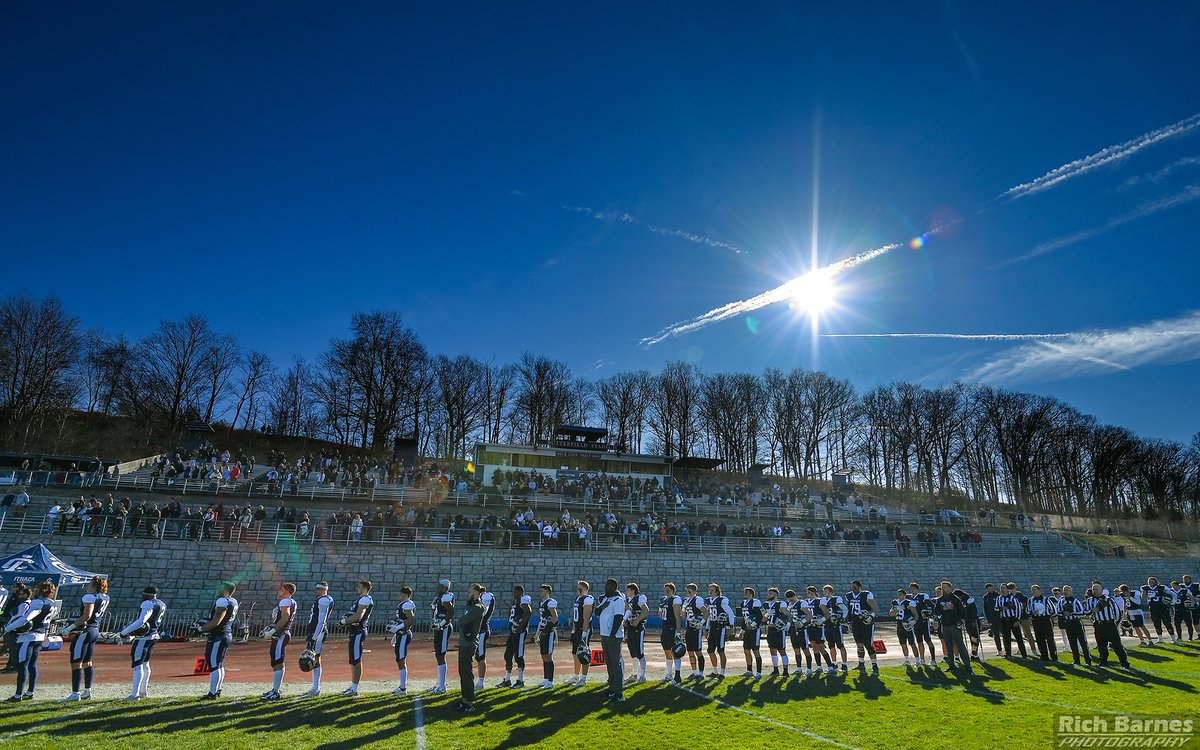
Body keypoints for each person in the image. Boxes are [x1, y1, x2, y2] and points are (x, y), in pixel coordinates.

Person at [3, 579, 60, 701]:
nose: (34, 591)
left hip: (29, 636)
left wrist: (8, 628)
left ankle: (18, 695)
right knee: (32, 665)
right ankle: (30, 692)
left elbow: (26, 619)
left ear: (40, 590)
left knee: (22, 665)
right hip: (40, 636)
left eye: (36, 589)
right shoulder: (53, 604)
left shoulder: (38, 602)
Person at [61, 575, 110, 702]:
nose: (87, 585)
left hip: (85, 631)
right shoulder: (105, 597)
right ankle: (87, 691)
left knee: (76, 662)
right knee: (87, 662)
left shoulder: (90, 597)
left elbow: (87, 615)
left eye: (90, 583)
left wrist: (69, 628)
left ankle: (75, 693)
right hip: (94, 630)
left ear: (94, 585)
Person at [117, 585, 167, 700]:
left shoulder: (148, 603)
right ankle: (143, 691)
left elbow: (141, 621)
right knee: (145, 663)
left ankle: (135, 694)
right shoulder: (161, 603)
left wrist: (124, 632)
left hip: (144, 637)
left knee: (138, 664)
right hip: (154, 635)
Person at [197, 581, 239, 699]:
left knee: (214, 664)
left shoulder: (222, 601)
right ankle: (217, 690)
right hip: (226, 634)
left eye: (221, 587)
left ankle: (212, 693)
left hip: (219, 635)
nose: (218, 589)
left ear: (225, 590)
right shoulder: (233, 601)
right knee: (219, 664)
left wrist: (200, 629)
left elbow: (216, 621)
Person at [260, 582, 297, 700]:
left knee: (276, 661)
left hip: (281, 634)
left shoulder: (285, 601)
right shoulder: (291, 601)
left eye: (281, 589)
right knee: (279, 661)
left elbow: (285, 617)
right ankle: (276, 688)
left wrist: (272, 631)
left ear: (287, 591)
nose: (279, 591)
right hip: (283, 633)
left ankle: (275, 691)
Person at [338, 580, 374, 697]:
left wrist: (344, 621)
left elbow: (358, 616)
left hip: (358, 631)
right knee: (353, 660)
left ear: (364, 588)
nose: (357, 588)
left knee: (356, 660)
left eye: (359, 586)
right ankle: (353, 686)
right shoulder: (361, 599)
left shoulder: (365, 599)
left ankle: (354, 689)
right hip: (354, 632)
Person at [1087, 582, 1132, 670]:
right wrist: (1092, 611)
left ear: (1101, 590)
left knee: (1117, 645)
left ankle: (1125, 663)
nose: (1095, 591)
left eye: (1096, 589)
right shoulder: (1089, 600)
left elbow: (1117, 612)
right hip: (1098, 625)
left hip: (1109, 624)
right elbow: (1086, 612)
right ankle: (1103, 662)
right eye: (1093, 589)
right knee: (1101, 645)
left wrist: (1115, 623)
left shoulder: (1109, 599)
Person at [456, 584, 486, 712]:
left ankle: (469, 702)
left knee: (467, 673)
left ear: (476, 592)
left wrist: (462, 620)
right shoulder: (472, 606)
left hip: (469, 644)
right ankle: (464, 699)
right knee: (462, 672)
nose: (468, 594)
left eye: (470, 592)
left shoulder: (478, 607)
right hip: (464, 643)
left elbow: (461, 621)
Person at [596, 578, 626, 704]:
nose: (605, 588)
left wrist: (612, 635)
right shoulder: (606, 599)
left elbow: (619, 618)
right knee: (609, 663)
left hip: (614, 636)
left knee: (615, 664)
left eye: (608, 586)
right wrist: (602, 606)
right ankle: (612, 688)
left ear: (613, 587)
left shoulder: (618, 600)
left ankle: (618, 693)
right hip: (604, 635)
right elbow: (596, 612)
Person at [934, 581, 972, 674]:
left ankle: (968, 667)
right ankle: (951, 666)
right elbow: (936, 612)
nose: (943, 589)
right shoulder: (939, 600)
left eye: (945, 587)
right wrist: (944, 608)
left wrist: (959, 622)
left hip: (954, 625)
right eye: (942, 587)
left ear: (950, 588)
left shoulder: (955, 599)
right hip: (944, 625)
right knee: (948, 646)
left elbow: (963, 613)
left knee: (960, 646)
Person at [499, 585, 533, 688]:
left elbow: (528, 613)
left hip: (520, 632)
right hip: (512, 632)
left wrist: (520, 627)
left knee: (519, 656)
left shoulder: (523, 600)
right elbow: (511, 615)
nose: (514, 594)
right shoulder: (515, 602)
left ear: (521, 592)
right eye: (514, 592)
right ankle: (507, 679)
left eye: (516, 592)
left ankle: (520, 680)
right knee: (507, 655)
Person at [305, 581, 334, 696]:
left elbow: (321, 620)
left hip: (318, 633)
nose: (315, 591)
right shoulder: (321, 600)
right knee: (314, 657)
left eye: (318, 589)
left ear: (324, 589)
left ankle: (316, 688)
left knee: (315, 658)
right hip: (315, 632)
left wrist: (314, 636)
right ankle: (315, 687)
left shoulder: (324, 600)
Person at [387, 585, 417, 695]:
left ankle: (403, 688)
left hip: (404, 634)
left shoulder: (407, 604)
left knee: (401, 659)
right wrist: (396, 631)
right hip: (401, 634)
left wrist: (398, 628)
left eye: (401, 594)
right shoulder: (403, 604)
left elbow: (410, 620)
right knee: (399, 659)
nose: (400, 595)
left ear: (406, 595)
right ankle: (402, 686)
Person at [566, 580, 595, 687]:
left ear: (584, 589)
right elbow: (576, 617)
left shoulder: (588, 599)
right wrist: (573, 631)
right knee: (575, 653)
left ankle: (583, 679)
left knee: (584, 653)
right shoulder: (578, 599)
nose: (577, 589)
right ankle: (576, 676)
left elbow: (586, 618)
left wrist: (584, 634)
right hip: (577, 629)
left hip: (584, 629)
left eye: (579, 588)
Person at [845, 580, 878, 672]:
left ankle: (874, 665)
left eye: (854, 586)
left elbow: (874, 608)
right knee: (859, 644)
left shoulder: (866, 594)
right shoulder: (849, 595)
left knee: (868, 644)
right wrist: (849, 621)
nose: (853, 588)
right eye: (852, 586)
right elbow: (849, 609)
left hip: (866, 623)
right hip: (855, 623)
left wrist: (871, 616)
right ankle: (861, 664)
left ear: (859, 586)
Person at [430, 578, 456, 694]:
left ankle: (442, 685)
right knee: (438, 654)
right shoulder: (438, 597)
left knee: (441, 654)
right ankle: (439, 683)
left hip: (444, 627)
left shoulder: (446, 596)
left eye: (439, 586)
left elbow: (450, 612)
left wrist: (441, 623)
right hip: (438, 627)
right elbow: (434, 610)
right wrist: (434, 621)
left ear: (445, 587)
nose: (437, 588)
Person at [705, 583, 736, 677]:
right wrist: (707, 628)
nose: (710, 592)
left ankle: (722, 673)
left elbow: (730, 613)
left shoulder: (721, 600)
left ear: (717, 591)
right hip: (712, 628)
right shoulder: (709, 601)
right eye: (709, 590)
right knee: (710, 650)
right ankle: (715, 671)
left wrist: (731, 626)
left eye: (712, 590)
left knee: (721, 651)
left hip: (720, 628)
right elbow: (709, 616)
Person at [1058, 584, 1093, 666]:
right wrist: (1063, 613)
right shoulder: (1061, 601)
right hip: (1068, 623)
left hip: (1076, 623)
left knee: (1083, 642)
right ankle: (1076, 660)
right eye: (1064, 590)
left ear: (1071, 592)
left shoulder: (1076, 601)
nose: (1065, 592)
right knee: (1072, 642)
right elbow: (1058, 612)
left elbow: (1082, 613)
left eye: (1067, 590)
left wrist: (1071, 613)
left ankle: (1088, 661)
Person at [623, 582, 649, 684]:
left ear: (633, 590)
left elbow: (645, 611)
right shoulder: (629, 600)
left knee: (639, 652)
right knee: (633, 652)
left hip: (638, 628)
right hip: (631, 628)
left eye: (628, 590)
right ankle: (634, 674)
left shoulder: (639, 599)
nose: (626, 592)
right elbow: (629, 612)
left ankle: (643, 675)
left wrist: (637, 620)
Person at [658, 582, 684, 683]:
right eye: (665, 589)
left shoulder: (675, 599)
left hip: (672, 628)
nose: (666, 591)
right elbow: (660, 615)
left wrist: (678, 632)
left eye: (668, 589)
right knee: (667, 651)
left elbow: (677, 617)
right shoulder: (663, 600)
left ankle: (677, 676)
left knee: (675, 652)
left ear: (672, 590)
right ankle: (669, 674)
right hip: (665, 628)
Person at [681, 583, 708, 680]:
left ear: (694, 591)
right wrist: (683, 608)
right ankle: (694, 672)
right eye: (687, 590)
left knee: (698, 651)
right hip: (689, 627)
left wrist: (701, 623)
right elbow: (683, 616)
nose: (687, 592)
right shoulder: (686, 601)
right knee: (690, 651)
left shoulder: (697, 600)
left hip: (696, 629)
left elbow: (706, 612)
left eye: (689, 590)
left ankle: (701, 673)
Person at [472, 584, 496, 693]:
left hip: (482, 630)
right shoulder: (480, 599)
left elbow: (483, 612)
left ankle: (481, 682)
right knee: (478, 656)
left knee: (481, 656)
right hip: (478, 630)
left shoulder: (486, 596)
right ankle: (479, 681)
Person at [1026, 584, 1059, 661]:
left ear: (1039, 590)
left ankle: (1054, 656)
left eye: (1034, 590)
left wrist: (1046, 614)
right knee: (1039, 639)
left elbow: (1054, 611)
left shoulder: (1046, 599)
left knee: (1050, 639)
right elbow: (1027, 610)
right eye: (1032, 590)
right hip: (1036, 620)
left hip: (1045, 620)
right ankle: (1044, 656)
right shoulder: (1030, 600)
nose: (1033, 591)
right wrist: (1032, 612)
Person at [534, 584, 559, 689]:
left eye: (542, 591)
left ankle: (550, 681)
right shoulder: (541, 603)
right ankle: (545, 679)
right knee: (543, 655)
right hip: (543, 630)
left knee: (548, 656)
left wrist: (546, 630)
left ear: (547, 592)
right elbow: (542, 619)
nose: (541, 592)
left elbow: (555, 618)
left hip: (549, 632)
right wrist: (538, 633)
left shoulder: (550, 602)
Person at [908, 582, 938, 664]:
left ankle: (933, 659)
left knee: (928, 639)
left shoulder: (923, 596)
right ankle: (922, 659)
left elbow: (930, 605)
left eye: (913, 588)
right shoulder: (909, 597)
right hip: (915, 622)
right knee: (919, 641)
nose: (912, 590)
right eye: (911, 589)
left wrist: (930, 613)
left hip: (923, 621)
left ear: (917, 589)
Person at [0, 583, 28, 673]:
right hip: (9, 619)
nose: (13, 588)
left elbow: (17, 613)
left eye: (15, 587)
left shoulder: (21, 600)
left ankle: (14, 666)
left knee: (12, 645)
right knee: (9, 643)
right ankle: (10, 664)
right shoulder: (14, 596)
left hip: (12, 622)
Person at [821, 584, 849, 672]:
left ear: (831, 592)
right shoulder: (823, 600)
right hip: (827, 625)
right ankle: (834, 663)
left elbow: (845, 609)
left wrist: (842, 618)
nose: (824, 592)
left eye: (826, 591)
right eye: (824, 591)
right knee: (831, 645)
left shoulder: (836, 599)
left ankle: (844, 664)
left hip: (835, 625)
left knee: (840, 645)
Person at [996, 582, 1028, 658]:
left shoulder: (1013, 598)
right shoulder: (999, 598)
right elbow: (996, 608)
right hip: (1004, 619)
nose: (1002, 590)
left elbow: (1018, 609)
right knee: (1006, 638)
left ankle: (1024, 654)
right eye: (1001, 588)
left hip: (1013, 619)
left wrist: (1017, 620)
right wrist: (1001, 608)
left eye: (1004, 588)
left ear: (1008, 589)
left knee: (1018, 637)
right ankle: (1008, 654)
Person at [890, 588, 920, 666]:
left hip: (907, 624)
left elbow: (916, 614)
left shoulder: (909, 602)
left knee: (912, 643)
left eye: (900, 594)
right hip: (899, 624)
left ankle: (917, 661)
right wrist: (896, 610)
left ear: (904, 595)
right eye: (898, 595)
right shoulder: (895, 602)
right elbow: (891, 614)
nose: (899, 596)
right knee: (903, 643)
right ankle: (907, 660)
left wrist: (914, 621)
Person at [1142, 576, 1176, 643]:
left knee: (1167, 622)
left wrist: (1172, 601)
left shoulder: (1162, 587)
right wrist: (1147, 596)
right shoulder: (1146, 588)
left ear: (1155, 581)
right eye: (1149, 581)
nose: (1151, 582)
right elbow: (1143, 596)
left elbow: (1171, 594)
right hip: (1153, 608)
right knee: (1156, 623)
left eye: (1152, 581)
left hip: (1163, 607)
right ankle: (1160, 639)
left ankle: (1173, 638)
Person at [739, 587, 764, 679]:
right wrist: (742, 630)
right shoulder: (743, 603)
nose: (744, 593)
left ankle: (759, 672)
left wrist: (753, 624)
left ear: (750, 593)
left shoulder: (755, 602)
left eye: (745, 592)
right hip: (747, 630)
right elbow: (744, 618)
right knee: (746, 650)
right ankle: (749, 670)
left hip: (755, 630)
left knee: (756, 651)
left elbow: (759, 616)